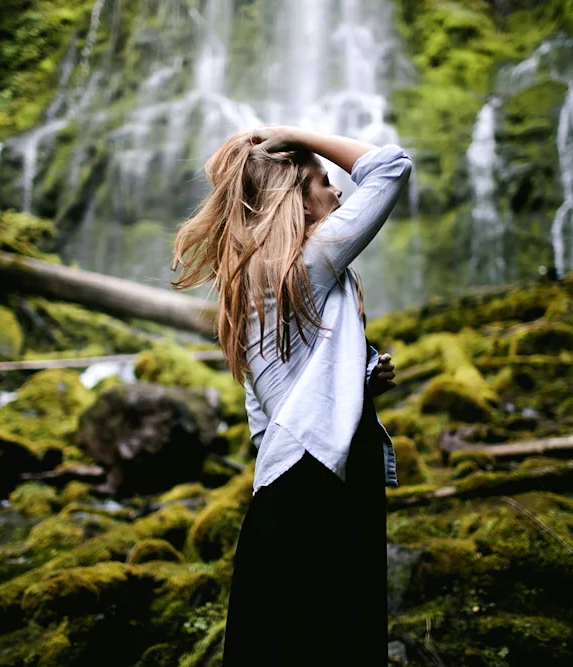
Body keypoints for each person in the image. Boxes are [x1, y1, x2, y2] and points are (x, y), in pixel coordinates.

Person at [171, 125, 413, 666]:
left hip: (290, 489)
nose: (339, 191)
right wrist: (292, 135)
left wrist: (357, 382)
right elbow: (391, 166)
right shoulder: (306, 266)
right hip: (321, 491)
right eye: (324, 182)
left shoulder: (259, 284)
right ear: (296, 204)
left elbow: (273, 411)